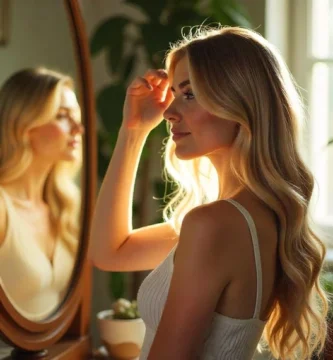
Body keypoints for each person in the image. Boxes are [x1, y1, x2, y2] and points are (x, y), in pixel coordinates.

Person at [89, 26, 329, 360]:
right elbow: (110, 252)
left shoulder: (214, 224)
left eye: (190, 94)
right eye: (173, 94)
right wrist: (133, 131)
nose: (170, 112)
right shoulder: (247, 216)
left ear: (241, 103)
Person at [0, 67, 84, 321]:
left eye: (76, 116)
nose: (78, 128)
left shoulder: (64, 203)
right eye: (62, 116)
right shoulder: (3, 207)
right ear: (23, 125)